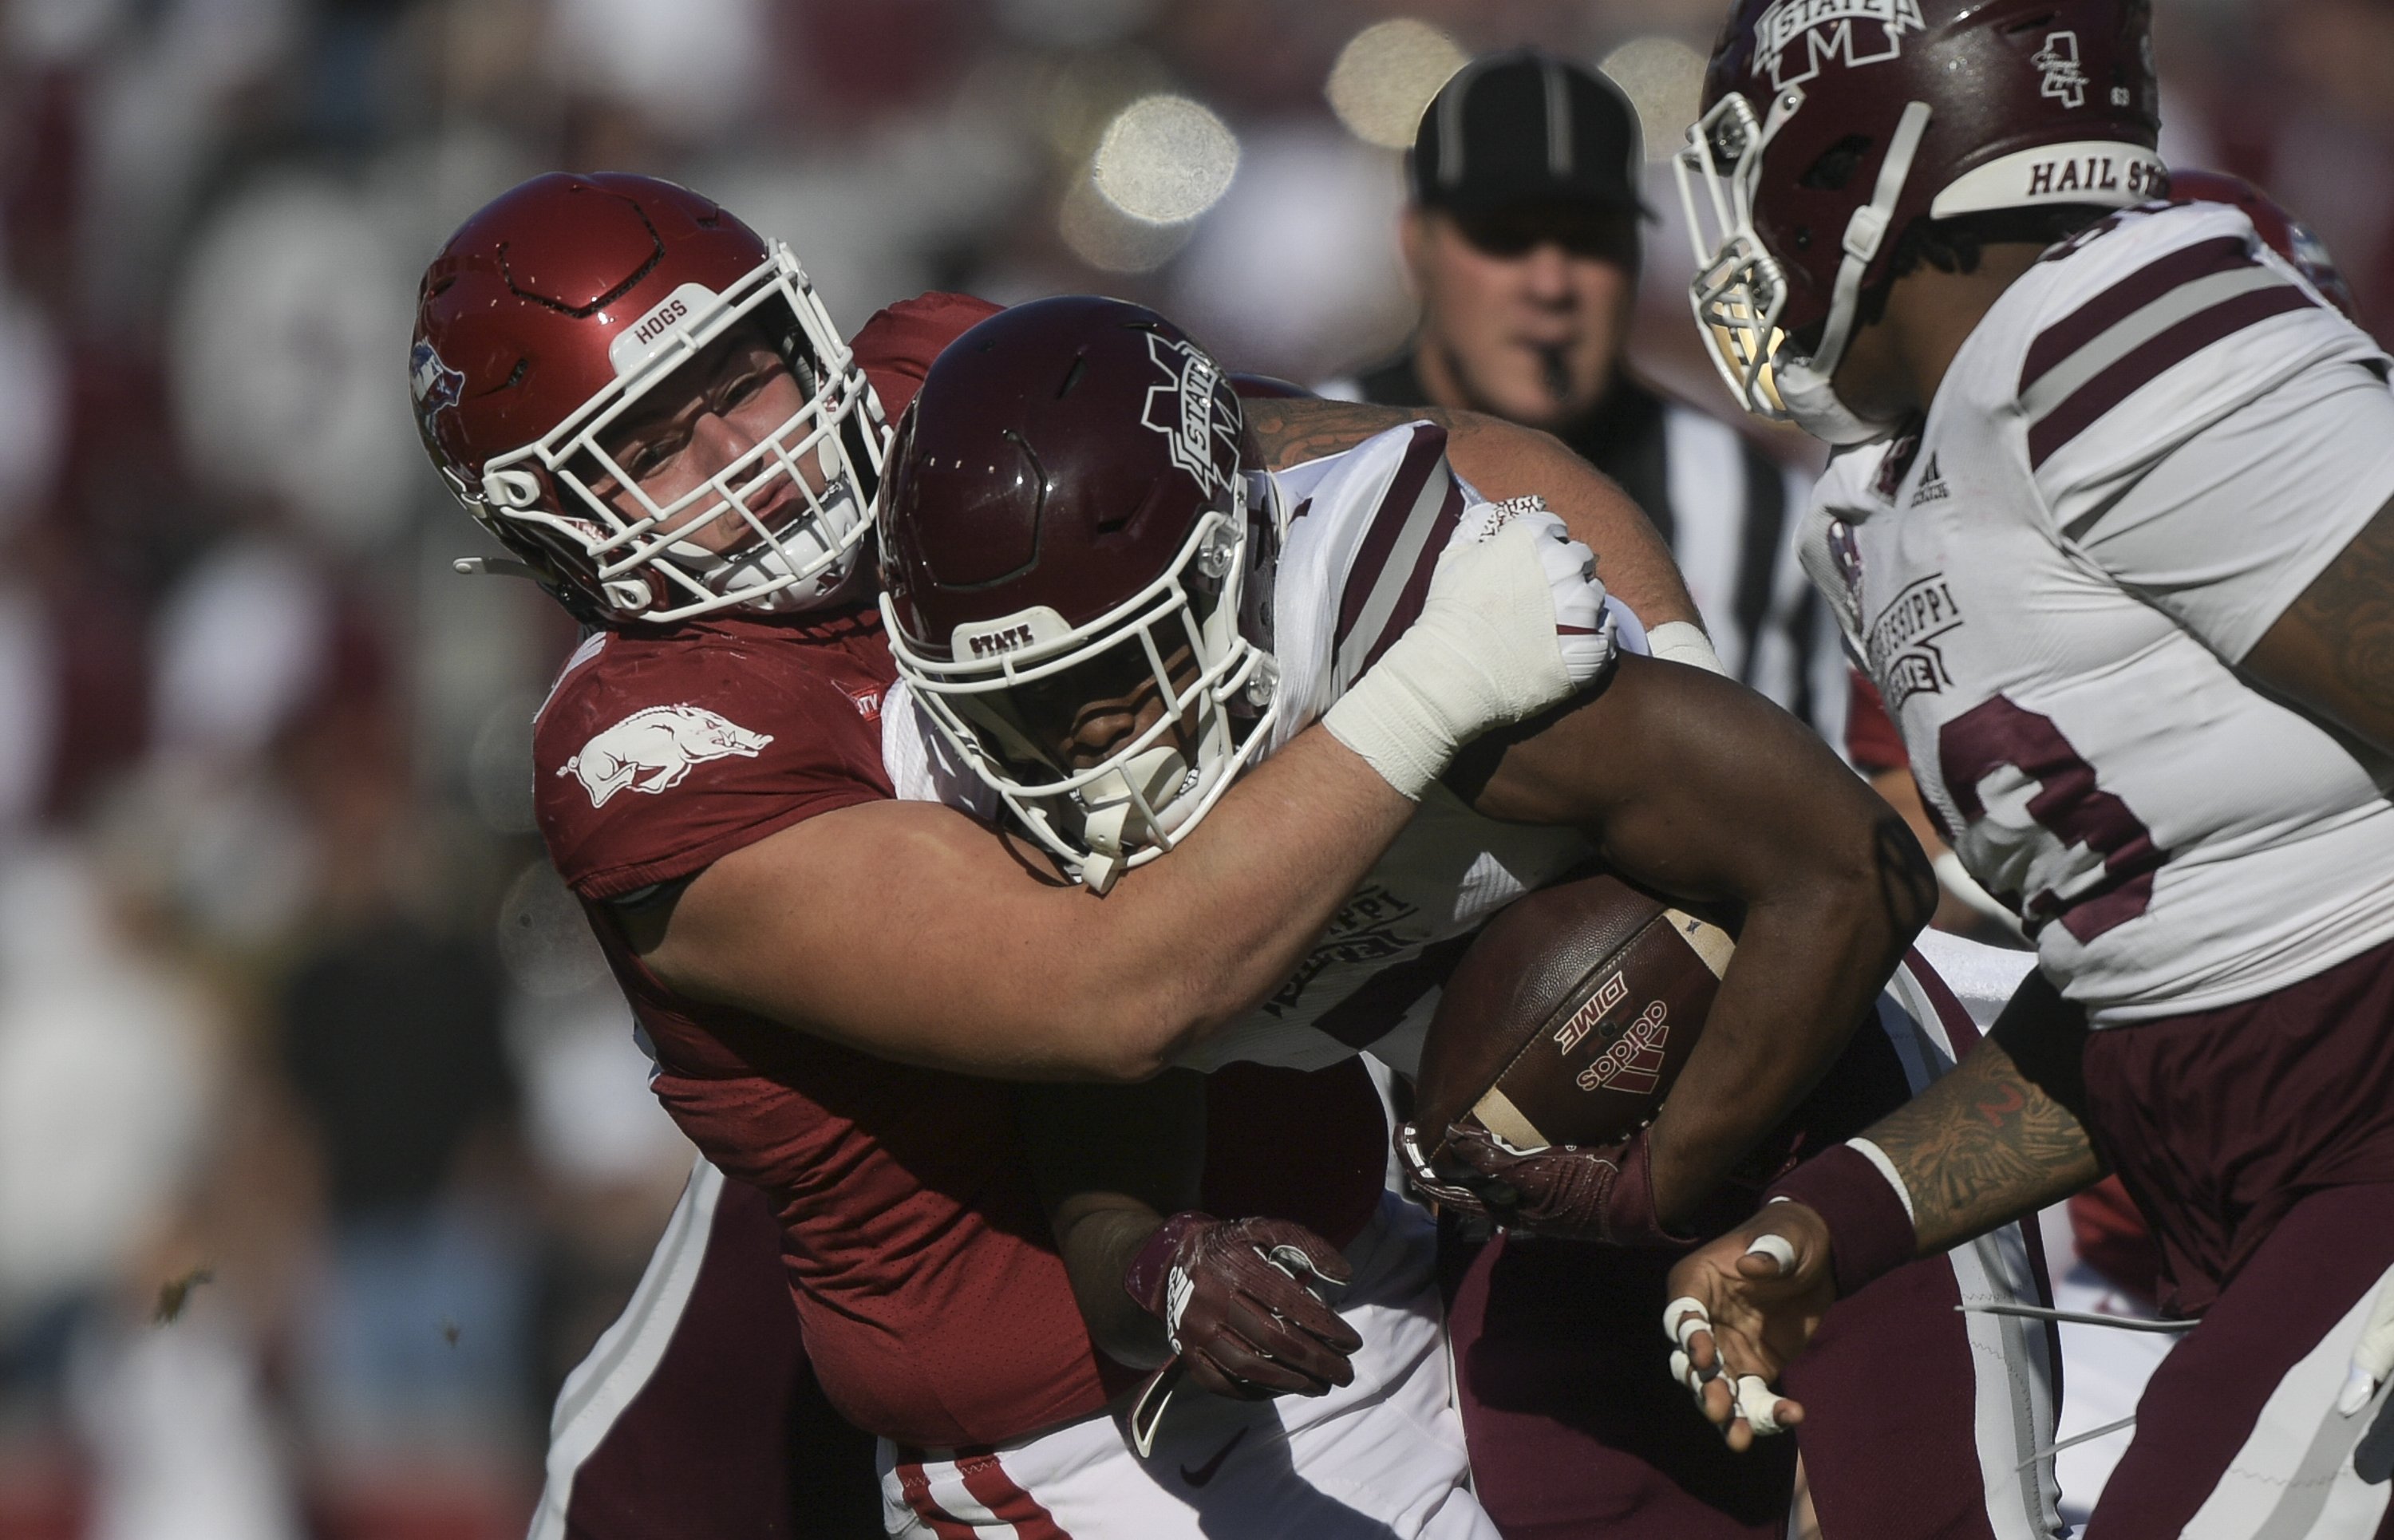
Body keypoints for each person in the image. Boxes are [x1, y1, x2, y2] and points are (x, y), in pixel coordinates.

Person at [411, 172, 1685, 1537]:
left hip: (1372, 1247)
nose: (742, 451)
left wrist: (1691, 727)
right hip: (1097, 1438)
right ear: (549, 526)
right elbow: (1120, 992)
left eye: (745, 379)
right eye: (654, 444)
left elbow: (1472, 472)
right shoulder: (651, 758)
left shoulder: (940, 394)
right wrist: (1433, 685)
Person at [874, 294, 2064, 1540]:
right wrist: (1171, 1275)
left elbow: (1848, 865)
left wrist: (1659, 1182)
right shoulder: (1013, 822)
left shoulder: (1403, 615)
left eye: (1118, 668)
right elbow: (1101, 1190)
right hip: (1540, 1209)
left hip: (1820, 1108)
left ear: (1229, 567)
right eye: (1026, 700)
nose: (1084, 744)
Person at [1657, 4, 2394, 1534]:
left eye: (1759, 172)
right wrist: (1837, 1214)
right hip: (2277, 1173)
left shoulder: (2098, 336)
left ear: (1859, 158)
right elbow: (2152, 980)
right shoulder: (1902, 493)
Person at [1321, 49, 1846, 746]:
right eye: (1504, 240)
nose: (1550, 286)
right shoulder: (1302, 471)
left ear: (1636, 258)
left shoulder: (1757, 508)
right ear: (1415, 245)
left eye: (1589, 242)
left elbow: (1813, 805)